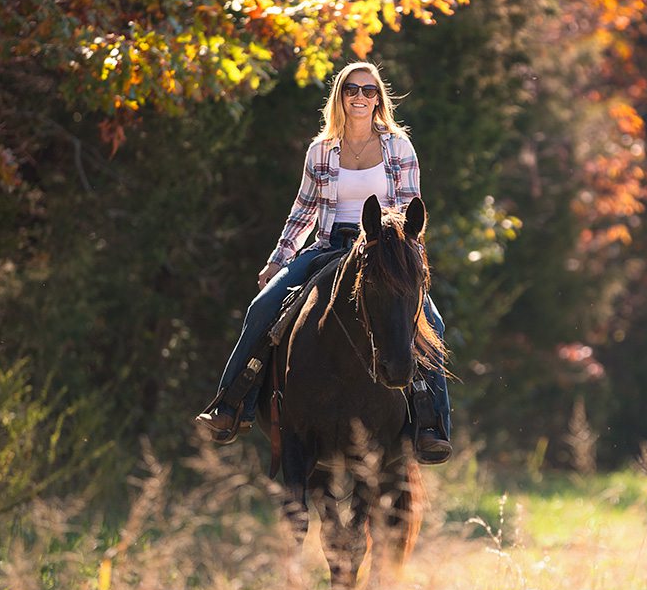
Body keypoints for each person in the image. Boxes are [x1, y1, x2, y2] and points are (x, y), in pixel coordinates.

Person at [193, 61, 453, 464]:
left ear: (379, 99)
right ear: (340, 96)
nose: (360, 98)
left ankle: (432, 424)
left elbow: (409, 213)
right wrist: (277, 262)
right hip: (329, 247)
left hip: (381, 256)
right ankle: (231, 404)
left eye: (369, 91)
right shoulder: (321, 150)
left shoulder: (399, 147)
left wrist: (412, 266)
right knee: (263, 307)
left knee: (431, 322)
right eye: (352, 90)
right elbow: (302, 211)